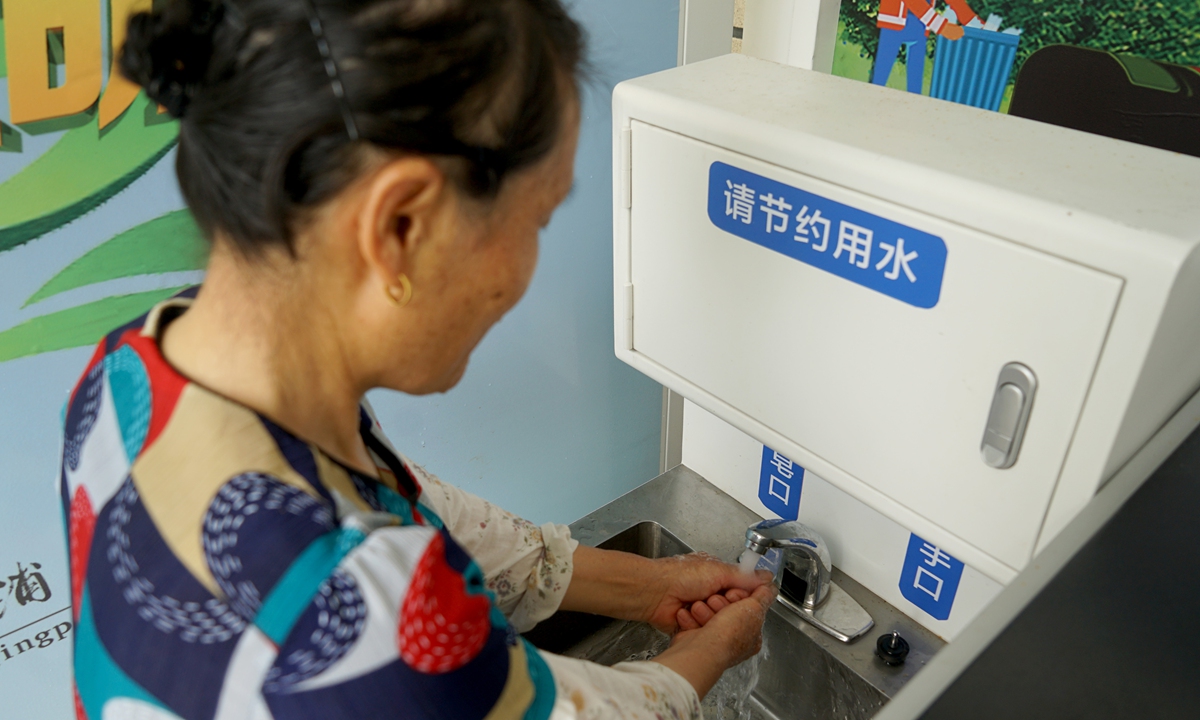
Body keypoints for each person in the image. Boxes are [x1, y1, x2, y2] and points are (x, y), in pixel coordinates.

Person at [57, 1, 776, 718]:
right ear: (401, 226)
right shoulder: (370, 636)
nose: (525, 275)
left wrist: (648, 587)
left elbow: (390, 496)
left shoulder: (130, 371)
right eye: (536, 220)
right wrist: (707, 654)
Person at [871, 0, 978, 93]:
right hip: (893, 23)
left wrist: (976, 24)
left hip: (920, 26)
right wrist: (940, 26)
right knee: (880, 76)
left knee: (915, 83)